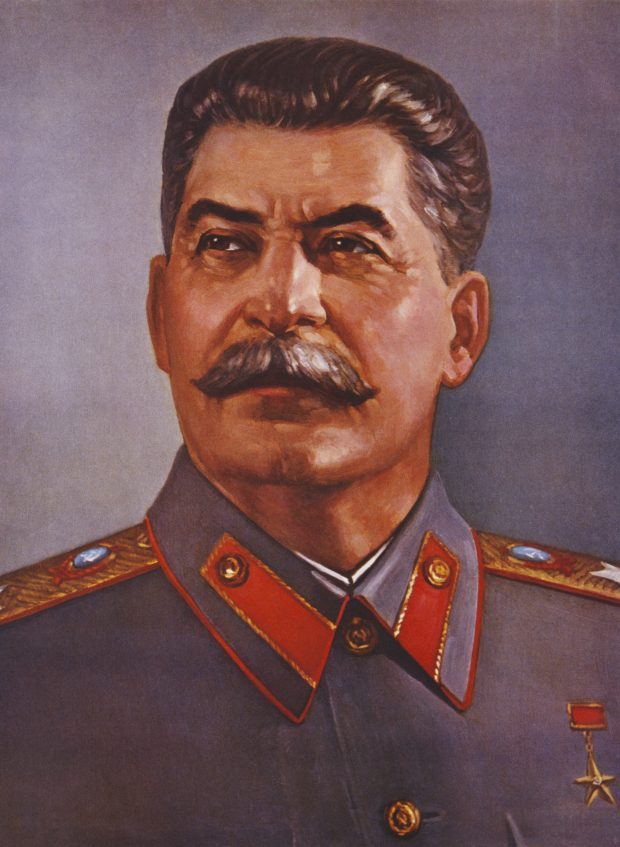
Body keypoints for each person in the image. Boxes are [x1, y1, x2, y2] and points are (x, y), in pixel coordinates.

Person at [1, 37, 617, 846]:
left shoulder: (600, 648)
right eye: (226, 244)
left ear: (461, 332)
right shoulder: (21, 677)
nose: (283, 301)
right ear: (160, 315)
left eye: (349, 246)